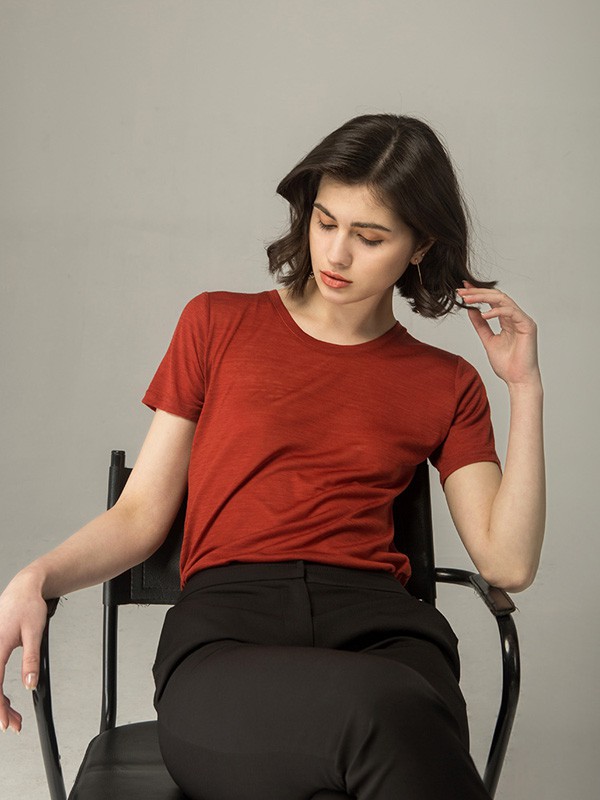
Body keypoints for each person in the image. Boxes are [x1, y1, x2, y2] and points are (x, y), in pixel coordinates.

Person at [0, 114, 545, 799]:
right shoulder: (216, 324)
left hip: (384, 635)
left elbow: (507, 564)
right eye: (325, 221)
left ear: (420, 246)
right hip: (228, 637)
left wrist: (524, 387)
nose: (336, 254)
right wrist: (35, 576)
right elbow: (140, 514)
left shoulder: (446, 382)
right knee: (384, 715)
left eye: (370, 237)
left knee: (391, 709)